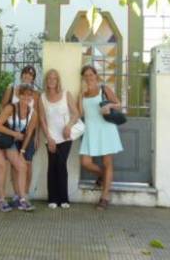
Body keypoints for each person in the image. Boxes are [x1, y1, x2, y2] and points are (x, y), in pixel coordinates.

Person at [78, 64, 123, 210]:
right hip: (90, 130)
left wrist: (109, 106)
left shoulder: (104, 89)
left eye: (91, 75)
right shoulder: (83, 94)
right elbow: (80, 114)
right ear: (83, 78)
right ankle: (104, 176)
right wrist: (79, 97)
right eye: (86, 76)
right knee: (85, 162)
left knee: (107, 162)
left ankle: (105, 197)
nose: (89, 78)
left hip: (106, 129)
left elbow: (119, 105)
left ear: (96, 76)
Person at [38, 69, 79, 209]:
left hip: (65, 136)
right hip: (50, 137)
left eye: (54, 78)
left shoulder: (66, 94)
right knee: (52, 165)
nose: (51, 80)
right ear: (46, 80)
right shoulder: (42, 97)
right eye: (49, 78)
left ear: (58, 80)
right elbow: (42, 119)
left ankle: (64, 199)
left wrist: (68, 126)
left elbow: (76, 114)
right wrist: (48, 138)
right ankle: (53, 199)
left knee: (61, 164)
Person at [0, 83, 37, 212]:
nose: (26, 97)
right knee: (2, 166)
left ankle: (22, 199)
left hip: (9, 143)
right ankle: (1, 200)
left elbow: (28, 134)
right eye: (24, 94)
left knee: (22, 166)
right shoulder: (10, 108)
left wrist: (22, 150)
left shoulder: (33, 113)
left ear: (32, 97)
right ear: (19, 95)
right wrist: (15, 134)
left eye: (29, 95)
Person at [0, 65, 40, 207]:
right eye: (25, 73)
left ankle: (25, 194)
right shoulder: (11, 89)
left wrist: (37, 136)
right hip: (12, 132)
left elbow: (37, 115)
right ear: (21, 75)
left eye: (31, 75)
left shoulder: (35, 93)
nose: (27, 76)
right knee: (14, 164)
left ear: (33, 78)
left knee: (27, 164)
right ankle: (17, 195)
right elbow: (2, 108)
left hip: (28, 133)